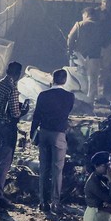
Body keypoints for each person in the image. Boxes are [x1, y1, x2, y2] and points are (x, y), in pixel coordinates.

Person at [30, 68, 75, 213]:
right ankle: (55, 202)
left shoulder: (43, 95)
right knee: (57, 170)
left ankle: (43, 202)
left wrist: (32, 132)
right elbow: (67, 112)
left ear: (52, 79)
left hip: (44, 133)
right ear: (65, 80)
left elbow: (36, 115)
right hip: (59, 135)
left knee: (44, 169)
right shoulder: (70, 97)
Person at [0, 61, 29, 208]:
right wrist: (23, 110)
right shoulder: (12, 88)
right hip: (8, 128)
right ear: (18, 74)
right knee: (5, 161)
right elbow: (15, 113)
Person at [67, 6, 104, 104]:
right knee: (92, 81)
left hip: (79, 57)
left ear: (86, 14)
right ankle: (89, 103)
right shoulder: (100, 26)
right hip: (95, 57)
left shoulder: (79, 25)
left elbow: (70, 38)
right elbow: (103, 42)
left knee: (77, 79)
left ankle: (76, 101)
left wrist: (70, 51)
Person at [94, 0, 111, 103]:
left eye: (109, 2)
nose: (107, 4)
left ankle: (101, 94)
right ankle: (95, 94)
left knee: (105, 70)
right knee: (96, 70)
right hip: (97, 46)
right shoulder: (96, 12)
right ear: (102, 1)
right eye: (105, 1)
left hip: (108, 45)